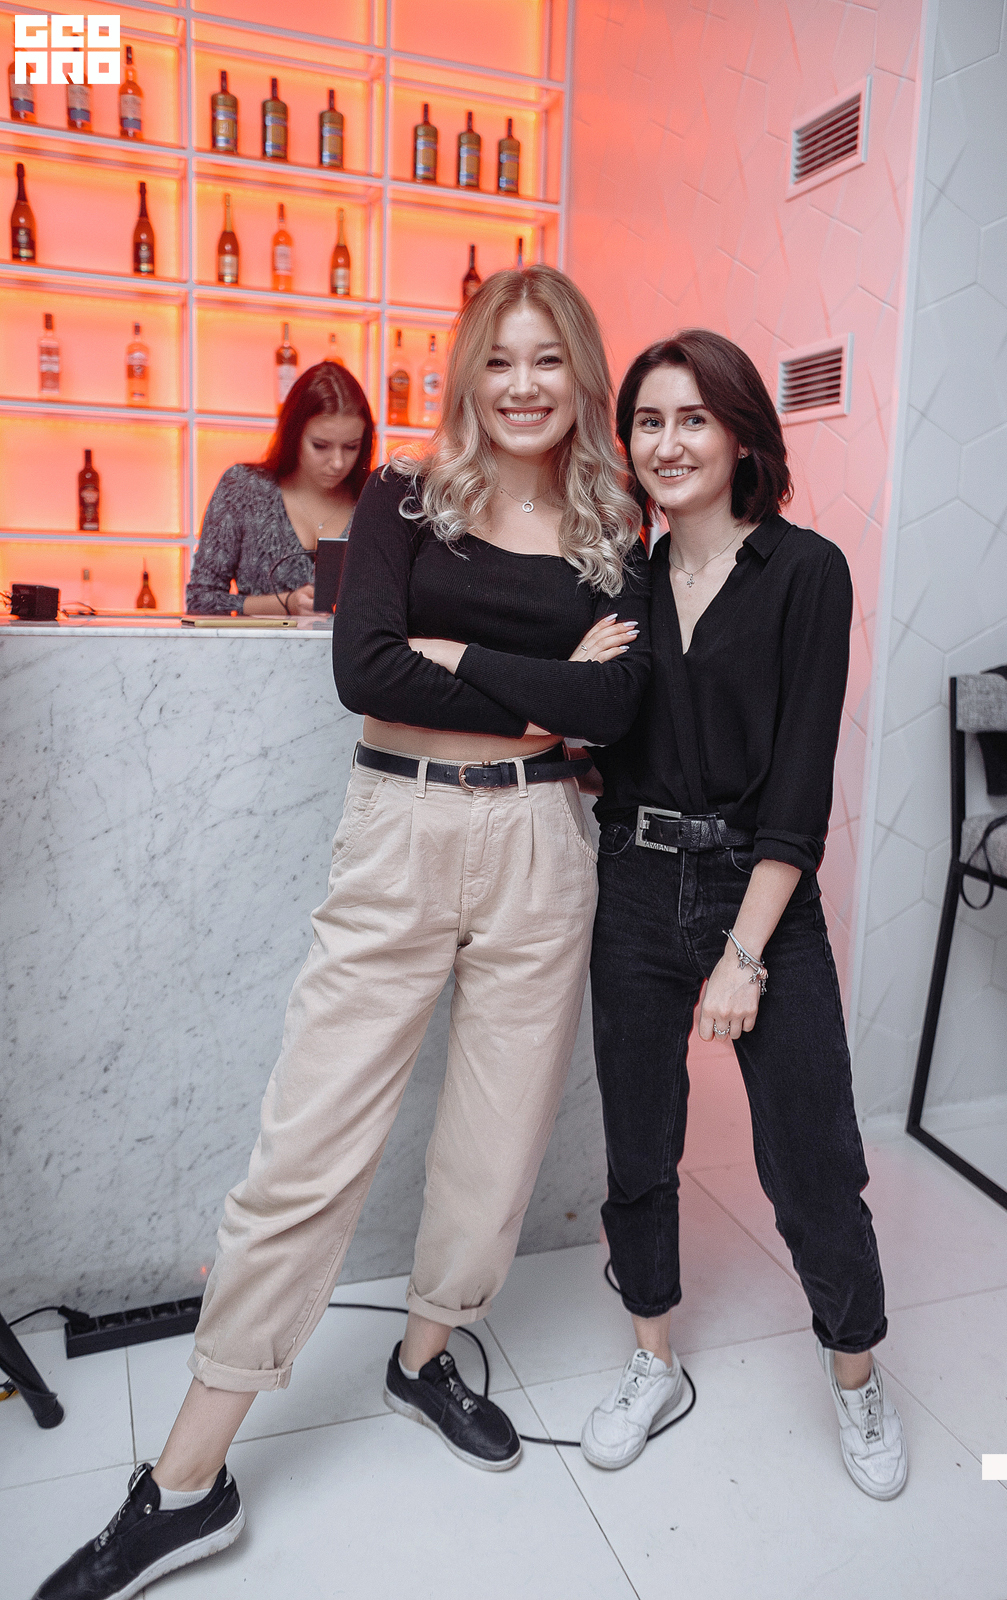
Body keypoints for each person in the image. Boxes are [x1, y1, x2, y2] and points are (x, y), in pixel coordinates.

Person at [33, 265, 649, 1600]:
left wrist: (464, 664)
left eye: (549, 359)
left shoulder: (615, 525)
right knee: (305, 1153)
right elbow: (361, 668)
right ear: (468, 371)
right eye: (500, 359)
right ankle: (186, 1478)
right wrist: (540, 687)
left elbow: (616, 708)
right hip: (400, 830)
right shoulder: (404, 500)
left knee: (495, 1145)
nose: (524, 385)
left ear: (582, 376)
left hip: (544, 846)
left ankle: (423, 1358)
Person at [580, 330, 908, 1500]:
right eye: (648, 421)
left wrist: (741, 954)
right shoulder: (622, 578)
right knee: (637, 1148)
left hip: (758, 891)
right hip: (632, 884)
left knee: (812, 1159)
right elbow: (596, 743)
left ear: (739, 435)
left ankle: (856, 1374)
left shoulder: (805, 572)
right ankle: (652, 1359)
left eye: (692, 419)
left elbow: (799, 792)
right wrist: (572, 677)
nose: (666, 443)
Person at [186, 361, 375, 616]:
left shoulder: (375, 499)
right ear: (293, 434)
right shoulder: (243, 488)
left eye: (351, 446)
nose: (338, 462)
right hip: (256, 644)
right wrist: (284, 604)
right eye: (320, 446)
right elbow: (201, 600)